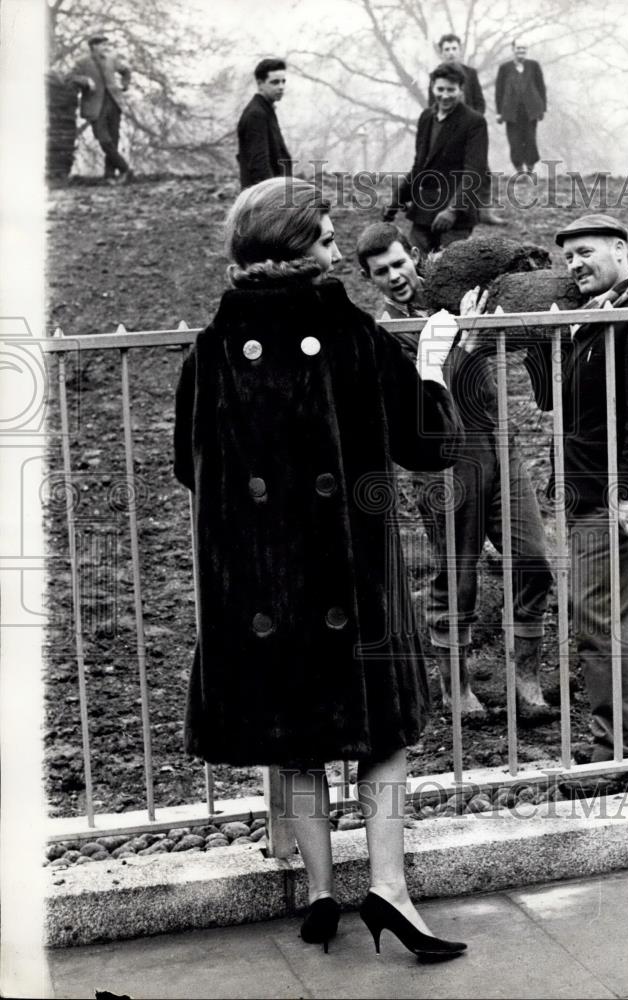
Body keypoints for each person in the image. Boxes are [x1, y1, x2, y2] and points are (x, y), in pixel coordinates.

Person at [173, 177, 467, 961]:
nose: (340, 250)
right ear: (296, 247)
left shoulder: (209, 349)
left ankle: (318, 892)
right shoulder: (354, 336)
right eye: (329, 237)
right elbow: (430, 447)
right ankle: (390, 890)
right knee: (384, 734)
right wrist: (434, 368)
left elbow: (185, 466)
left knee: (292, 736)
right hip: (353, 571)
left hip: (258, 580)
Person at [356, 222, 556, 722]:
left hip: (496, 441)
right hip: (443, 460)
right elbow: (426, 398)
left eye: (399, 263)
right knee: (456, 577)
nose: (395, 277)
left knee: (533, 562)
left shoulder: (453, 299)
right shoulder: (386, 334)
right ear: (370, 279)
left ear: (416, 256)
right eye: (381, 272)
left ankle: (525, 682)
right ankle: (456, 689)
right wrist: (466, 340)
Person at [518, 215, 628, 762]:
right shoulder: (595, 318)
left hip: (611, 497)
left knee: (594, 619)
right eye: (567, 257)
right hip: (589, 490)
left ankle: (615, 747)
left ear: (620, 249)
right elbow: (552, 400)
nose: (574, 264)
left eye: (584, 252)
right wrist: (538, 337)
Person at [383, 62, 487, 255]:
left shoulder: (474, 122)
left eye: (451, 90)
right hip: (424, 209)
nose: (445, 95)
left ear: (461, 90)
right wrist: (398, 200)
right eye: (440, 89)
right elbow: (419, 166)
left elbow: (474, 172)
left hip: (455, 218)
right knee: (415, 266)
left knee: (448, 271)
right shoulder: (426, 117)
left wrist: (453, 210)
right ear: (432, 87)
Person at [427, 34, 506, 227]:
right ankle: (445, 211)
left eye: (454, 48)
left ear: (460, 50)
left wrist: (472, 122)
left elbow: (479, 102)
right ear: (441, 52)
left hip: (471, 132)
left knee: (482, 171)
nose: (451, 53)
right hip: (447, 134)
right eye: (447, 49)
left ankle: (485, 212)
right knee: (446, 172)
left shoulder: (470, 73)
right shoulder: (436, 76)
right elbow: (432, 106)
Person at [70, 32, 133, 183]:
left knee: (114, 139)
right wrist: (85, 81)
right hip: (94, 105)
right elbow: (70, 77)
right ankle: (125, 168)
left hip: (113, 103)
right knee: (104, 140)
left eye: (107, 44)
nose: (106, 47)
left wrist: (124, 85)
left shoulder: (111, 59)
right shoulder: (82, 62)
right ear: (94, 46)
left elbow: (126, 71)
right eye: (103, 45)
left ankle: (110, 176)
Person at [236, 57, 292, 189]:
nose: (281, 87)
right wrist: (274, 197)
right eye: (275, 82)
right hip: (264, 198)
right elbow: (259, 165)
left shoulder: (265, 110)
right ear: (260, 83)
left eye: (283, 81)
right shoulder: (256, 114)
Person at [494, 39, 546, 174]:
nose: (521, 51)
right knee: (514, 140)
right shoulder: (504, 68)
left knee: (530, 138)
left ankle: (530, 168)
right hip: (511, 111)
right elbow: (499, 90)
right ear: (513, 50)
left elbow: (540, 86)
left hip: (531, 110)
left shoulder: (533, 66)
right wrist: (499, 112)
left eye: (524, 48)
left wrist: (542, 108)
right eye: (518, 48)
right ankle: (519, 170)